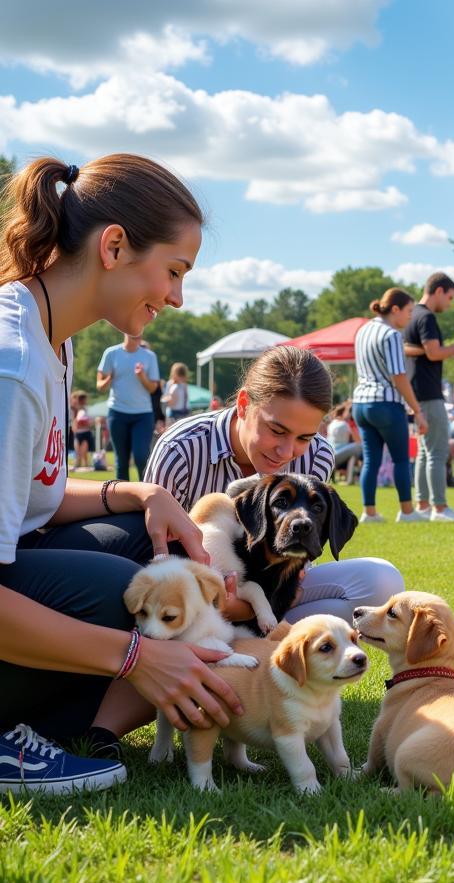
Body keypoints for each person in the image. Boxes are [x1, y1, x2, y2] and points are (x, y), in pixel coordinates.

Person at [0, 153, 245, 792]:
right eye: (173, 271)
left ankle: (78, 725)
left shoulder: (53, 337)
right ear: (114, 246)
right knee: (127, 594)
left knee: (153, 548)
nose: (176, 296)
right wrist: (136, 656)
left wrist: (139, 493)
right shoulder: (13, 364)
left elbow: (33, 499)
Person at [146, 344, 405, 612]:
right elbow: (151, 561)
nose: (287, 452)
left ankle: (280, 647)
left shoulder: (318, 454)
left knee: (382, 581)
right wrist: (234, 608)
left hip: (275, 597)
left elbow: (297, 559)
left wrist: (264, 606)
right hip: (192, 603)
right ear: (244, 405)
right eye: (276, 430)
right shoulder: (181, 449)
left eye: (304, 437)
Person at [350, 288, 429, 523]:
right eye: (408, 311)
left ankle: (369, 512)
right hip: (386, 402)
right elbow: (399, 376)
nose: (410, 317)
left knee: (370, 460)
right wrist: (417, 410)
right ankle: (406, 511)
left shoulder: (363, 330)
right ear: (395, 309)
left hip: (360, 403)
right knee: (401, 459)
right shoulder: (392, 334)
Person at [403, 272, 454, 522]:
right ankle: (440, 508)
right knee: (438, 452)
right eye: (449, 297)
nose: (449, 304)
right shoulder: (427, 316)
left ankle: (423, 504)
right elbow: (433, 351)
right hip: (429, 392)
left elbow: (408, 348)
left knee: (424, 452)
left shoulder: (410, 316)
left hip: (415, 393)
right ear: (438, 291)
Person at [96, 332, 159, 480]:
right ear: (125, 331)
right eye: (133, 330)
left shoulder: (149, 356)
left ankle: (145, 495)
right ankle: (121, 502)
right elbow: (99, 386)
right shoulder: (111, 353)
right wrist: (109, 378)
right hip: (117, 413)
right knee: (121, 461)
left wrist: (142, 377)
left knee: (141, 456)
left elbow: (153, 388)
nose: (137, 333)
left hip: (143, 415)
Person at [326, 400, 361, 481]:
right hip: (337, 453)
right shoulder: (345, 424)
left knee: (353, 454)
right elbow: (358, 440)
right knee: (360, 446)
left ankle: (350, 476)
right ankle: (352, 477)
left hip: (330, 452)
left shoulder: (332, 423)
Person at [71, 390, 93, 470]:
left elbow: (90, 422)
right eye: (81, 399)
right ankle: (77, 464)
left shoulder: (87, 409)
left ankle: (86, 464)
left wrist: (85, 423)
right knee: (77, 451)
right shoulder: (75, 409)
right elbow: (75, 421)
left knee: (84, 451)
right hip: (78, 433)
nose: (83, 401)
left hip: (86, 432)